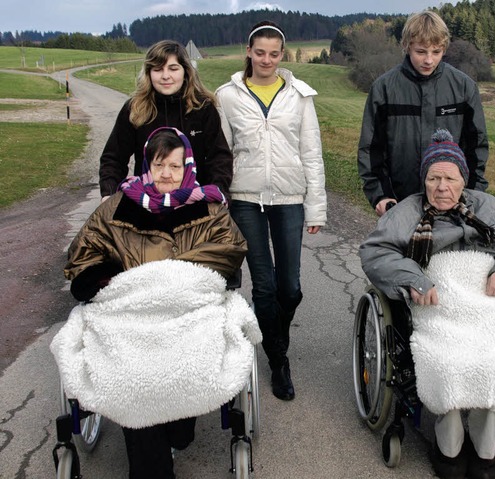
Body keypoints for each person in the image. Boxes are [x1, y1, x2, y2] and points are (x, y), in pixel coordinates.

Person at [360, 130, 495, 479]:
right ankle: (448, 444)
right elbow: (375, 253)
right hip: (438, 305)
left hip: (485, 303)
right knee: (447, 361)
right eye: (433, 178)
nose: (441, 187)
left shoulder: (489, 208)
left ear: (463, 179)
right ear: (424, 180)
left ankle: (484, 449)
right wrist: (413, 277)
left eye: (450, 178)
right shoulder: (407, 212)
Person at [62, 127, 248, 479]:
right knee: (136, 376)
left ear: (188, 168)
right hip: (129, 320)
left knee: (180, 407)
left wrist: (169, 276)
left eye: (175, 167)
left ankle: (173, 427)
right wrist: (110, 278)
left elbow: (231, 249)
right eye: (159, 164)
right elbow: (82, 255)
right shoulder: (116, 208)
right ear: (146, 165)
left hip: (185, 318)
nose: (166, 174)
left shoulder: (209, 208)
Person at [215, 20, 327, 401]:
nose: (266, 60)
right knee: (263, 284)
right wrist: (220, 204)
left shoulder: (299, 95)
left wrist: (316, 209)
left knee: (290, 288)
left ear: (283, 54)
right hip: (245, 198)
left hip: (289, 199)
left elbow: (312, 154)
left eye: (273, 53)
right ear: (248, 52)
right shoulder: (228, 96)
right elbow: (221, 155)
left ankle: (273, 334)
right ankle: (278, 360)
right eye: (259, 52)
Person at [358, 9, 489, 217]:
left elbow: (476, 147)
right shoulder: (383, 88)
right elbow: (371, 149)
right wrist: (380, 195)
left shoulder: (464, 87)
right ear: (407, 46)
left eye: (436, 52)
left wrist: (472, 194)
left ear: (444, 48)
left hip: (452, 202)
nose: (429, 60)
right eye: (421, 51)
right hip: (400, 203)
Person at [99, 39, 233, 200]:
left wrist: (217, 193)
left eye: (173, 68)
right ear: (149, 73)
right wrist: (108, 195)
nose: (165, 76)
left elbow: (219, 157)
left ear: (185, 72)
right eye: (157, 69)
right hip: (146, 204)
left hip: (195, 203)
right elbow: (114, 158)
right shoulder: (135, 109)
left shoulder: (202, 108)